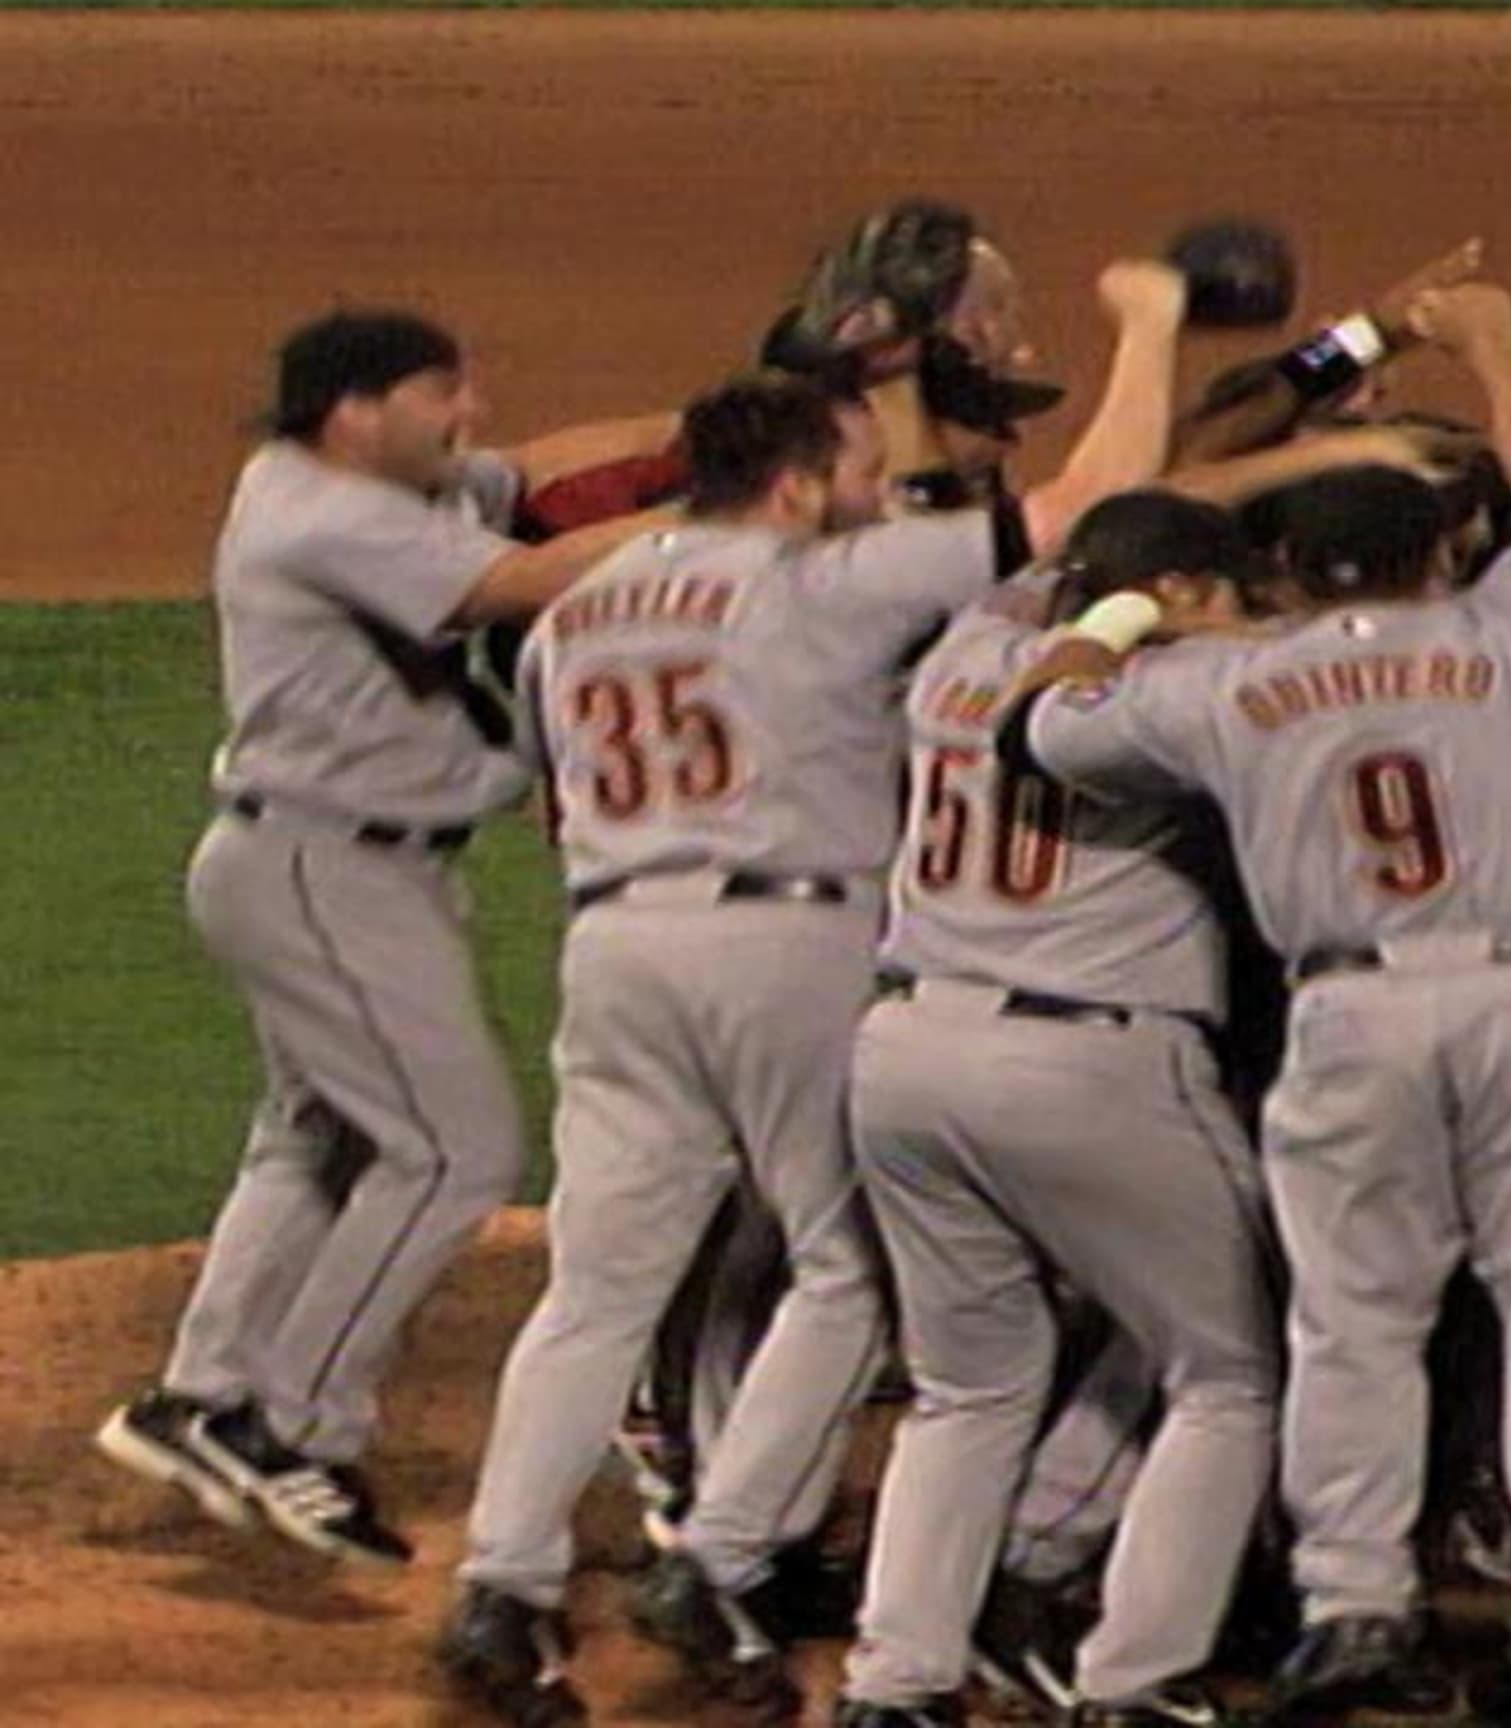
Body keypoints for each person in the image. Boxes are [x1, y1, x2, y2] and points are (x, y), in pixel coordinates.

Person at [430, 275, 1163, 1717]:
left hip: (615, 946)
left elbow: (544, 794)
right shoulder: (823, 574)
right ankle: (718, 1555)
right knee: (848, 1264)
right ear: (795, 479)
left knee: (597, 1286)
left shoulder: (580, 608)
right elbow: (1089, 502)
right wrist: (1151, 322)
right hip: (786, 943)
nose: (875, 496)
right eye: (861, 474)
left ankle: (502, 1581)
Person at [1005, 280, 1511, 1727]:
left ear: (1293, 570)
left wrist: (1113, 618)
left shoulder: (1238, 685)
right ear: (1444, 550)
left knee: (1355, 1322)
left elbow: (1042, 729)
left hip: (1352, 1022)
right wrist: (1496, 341)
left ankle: (1353, 1609)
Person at [92, 308, 665, 1566]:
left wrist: (714, 427)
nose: (469, 413)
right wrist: (725, 512)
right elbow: (513, 579)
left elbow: (540, 467)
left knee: (315, 1142)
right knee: (452, 1151)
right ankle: (293, 1426)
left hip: (328, 864)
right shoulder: (320, 514)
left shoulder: (366, 479)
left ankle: (203, 1395)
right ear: (354, 410)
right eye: (441, 393)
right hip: (324, 865)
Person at [833, 491, 1282, 1728]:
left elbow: (1046, 571)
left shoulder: (963, 656)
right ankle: (1133, 1681)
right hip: (1091, 1062)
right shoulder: (1156, 700)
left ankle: (897, 1682)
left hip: (908, 1048)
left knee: (967, 1386)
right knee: (1235, 1369)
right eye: (1229, 591)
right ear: (1180, 596)